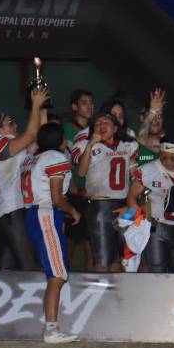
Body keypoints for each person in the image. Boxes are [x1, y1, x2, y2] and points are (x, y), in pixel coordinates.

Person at [21, 123, 80, 343]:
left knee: (55, 273)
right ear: (60, 139)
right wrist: (73, 211)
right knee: (57, 274)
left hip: (34, 214)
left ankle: (52, 328)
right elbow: (56, 197)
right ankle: (51, 330)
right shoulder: (55, 157)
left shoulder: (32, 158)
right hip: (46, 213)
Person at [0, 86, 49, 270]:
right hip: (12, 211)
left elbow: (40, 138)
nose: (15, 125)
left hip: (14, 212)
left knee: (6, 268)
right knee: (30, 266)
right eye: (10, 123)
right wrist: (34, 105)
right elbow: (31, 134)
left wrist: (42, 108)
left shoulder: (15, 146)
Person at [74, 112, 138, 271]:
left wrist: (133, 206)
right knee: (102, 258)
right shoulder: (88, 146)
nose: (101, 126)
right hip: (99, 205)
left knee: (119, 256)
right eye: (97, 124)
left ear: (115, 128)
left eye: (106, 122)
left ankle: (114, 295)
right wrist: (89, 145)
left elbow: (135, 175)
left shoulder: (127, 145)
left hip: (124, 204)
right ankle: (101, 294)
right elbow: (81, 173)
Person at [126, 142, 174, 272]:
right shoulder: (148, 170)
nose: (168, 162)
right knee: (156, 269)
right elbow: (132, 196)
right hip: (157, 225)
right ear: (159, 154)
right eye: (164, 157)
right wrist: (142, 219)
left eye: (172, 158)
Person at [63, 89, 94, 269]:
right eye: (84, 102)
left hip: (92, 192)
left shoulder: (96, 129)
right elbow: (66, 163)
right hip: (75, 193)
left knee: (92, 246)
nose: (89, 106)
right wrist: (72, 188)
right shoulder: (67, 129)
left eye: (91, 102)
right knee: (71, 243)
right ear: (75, 107)